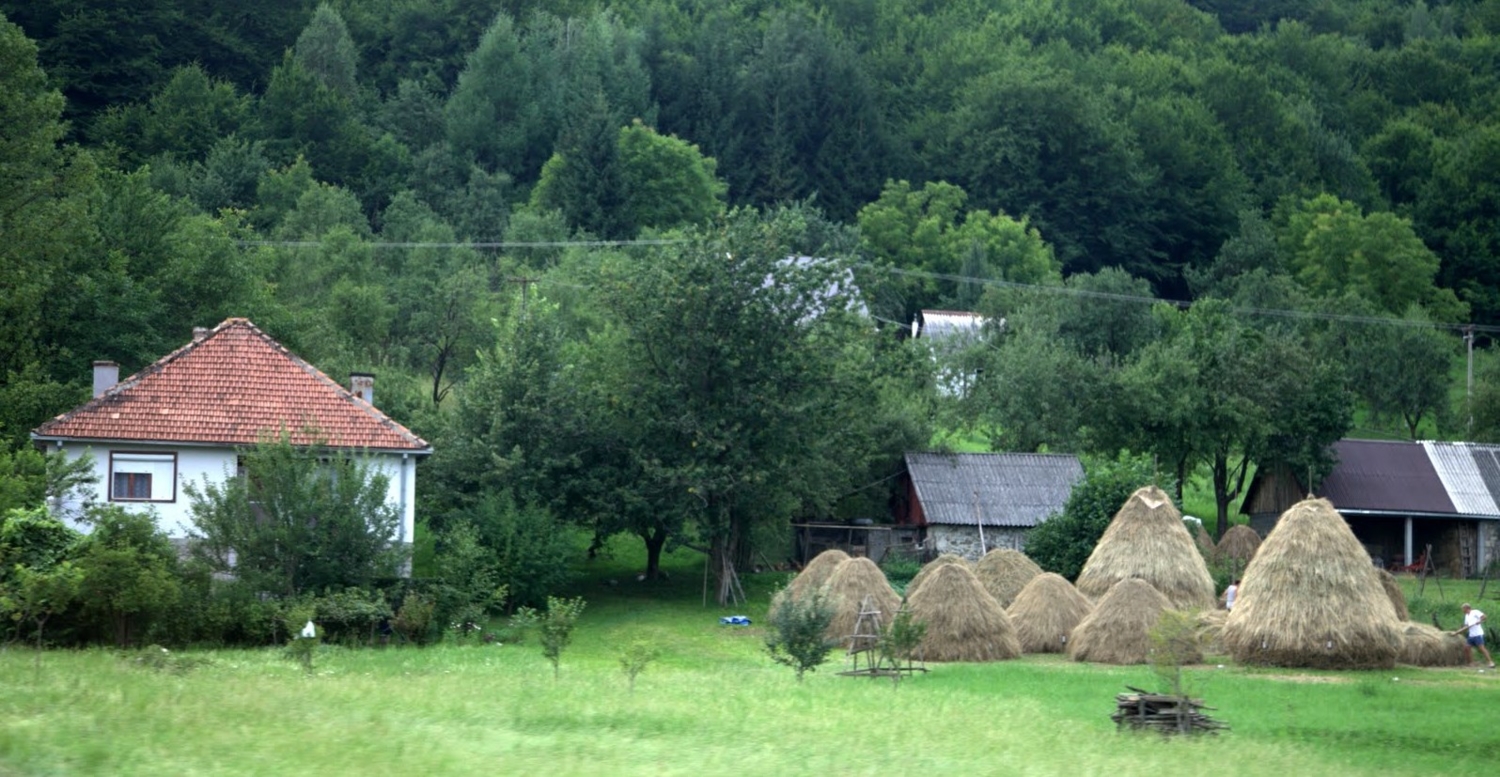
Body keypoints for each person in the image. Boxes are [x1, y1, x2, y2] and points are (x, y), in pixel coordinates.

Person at [1452, 603, 1496, 668]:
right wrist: (1459, 631)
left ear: (1467, 608)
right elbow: (1466, 626)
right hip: (1471, 635)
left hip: (1478, 634)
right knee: (1467, 648)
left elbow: (1484, 616)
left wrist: (1479, 621)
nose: (1462, 611)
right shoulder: (1466, 616)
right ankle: (1471, 663)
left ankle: (1490, 662)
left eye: (1463, 609)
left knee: (1481, 648)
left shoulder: (1475, 612)